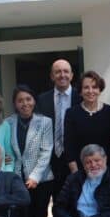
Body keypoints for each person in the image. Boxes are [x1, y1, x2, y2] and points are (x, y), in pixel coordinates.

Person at [6, 85, 54, 217]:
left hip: (41, 180)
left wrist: (34, 177)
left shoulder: (45, 122)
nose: (25, 103)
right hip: (17, 178)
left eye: (28, 99)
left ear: (34, 101)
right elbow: (7, 150)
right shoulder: (8, 123)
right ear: (15, 104)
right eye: (20, 100)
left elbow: (46, 151)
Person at [37, 59, 82, 199]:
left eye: (66, 71)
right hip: (49, 159)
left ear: (72, 75)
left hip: (76, 158)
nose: (62, 75)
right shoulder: (41, 99)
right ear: (52, 76)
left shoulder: (81, 97)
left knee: (76, 199)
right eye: (58, 72)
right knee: (52, 200)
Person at [64, 71, 110, 173]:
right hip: (81, 170)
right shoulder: (71, 113)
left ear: (100, 90)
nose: (90, 91)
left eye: (94, 87)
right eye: (86, 87)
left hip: (107, 169)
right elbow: (69, 146)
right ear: (80, 91)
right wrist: (76, 174)